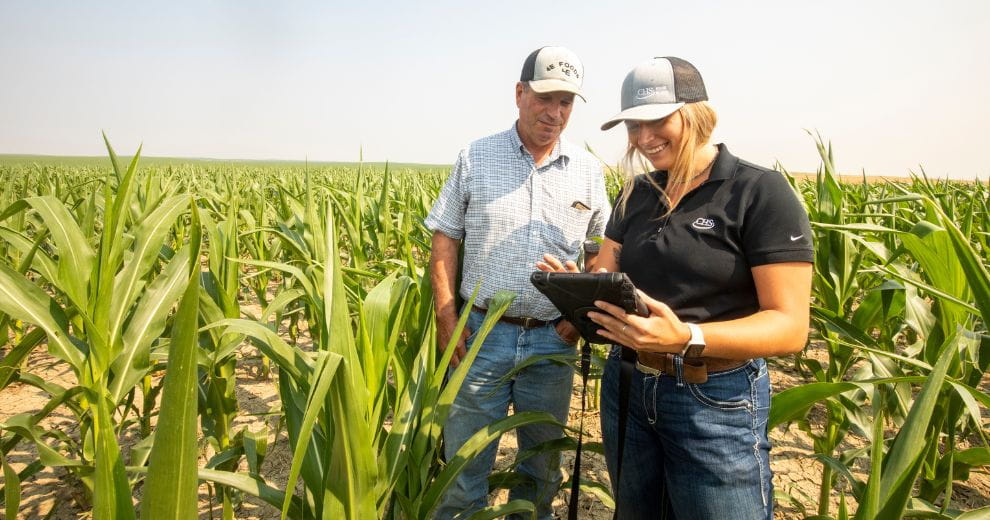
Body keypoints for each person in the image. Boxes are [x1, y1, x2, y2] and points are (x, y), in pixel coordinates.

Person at [538, 57, 813, 519]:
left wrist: (688, 337)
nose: (644, 139)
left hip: (713, 398)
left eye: (658, 121)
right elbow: (607, 273)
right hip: (627, 383)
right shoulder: (636, 193)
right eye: (633, 126)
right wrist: (578, 290)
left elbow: (789, 328)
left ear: (697, 114)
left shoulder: (759, 192)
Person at [425, 46, 611, 520]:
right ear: (519, 93)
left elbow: (601, 250)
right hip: (481, 334)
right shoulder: (476, 156)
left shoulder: (588, 171)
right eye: (545, 98)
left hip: (553, 340)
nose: (555, 113)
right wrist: (446, 316)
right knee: (464, 463)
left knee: (542, 467)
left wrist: (578, 318)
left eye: (567, 102)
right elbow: (445, 237)